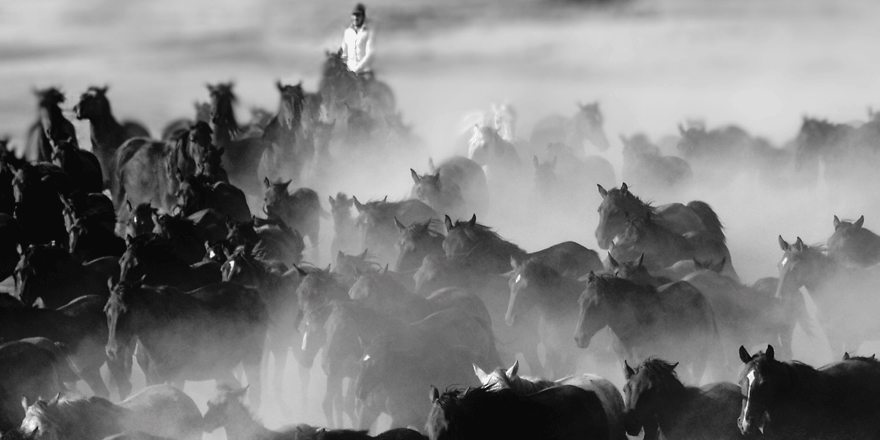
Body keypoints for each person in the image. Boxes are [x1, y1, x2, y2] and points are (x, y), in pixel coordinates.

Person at [340, 3, 374, 79]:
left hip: (363, 73)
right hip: (349, 74)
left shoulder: (368, 32)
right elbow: (344, 53)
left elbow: (369, 54)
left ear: (363, 17)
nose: (355, 17)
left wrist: (357, 70)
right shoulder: (347, 32)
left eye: (358, 15)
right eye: (354, 15)